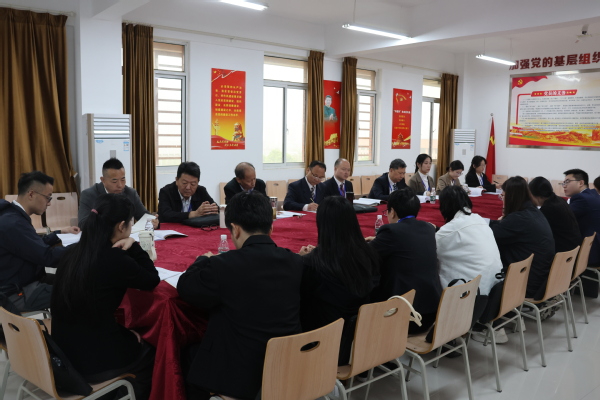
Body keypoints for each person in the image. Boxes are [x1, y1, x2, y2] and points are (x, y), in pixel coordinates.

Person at [177, 191, 304, 400]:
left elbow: (186, 287)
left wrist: (202, 260)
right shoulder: (295, 261)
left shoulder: (223, 266)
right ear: (271, 228)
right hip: (287, 364)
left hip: (240, 376)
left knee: (189, 353)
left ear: (235, 229)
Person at [51, 194, 159, 400]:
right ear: (121, 226)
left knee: (128, 335)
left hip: (63, 354)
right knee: (153, 350)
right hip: (94, 362)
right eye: (130, 223)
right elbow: (151, 279)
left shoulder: (72, 252)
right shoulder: (114, 259)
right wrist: (133, 245)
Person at [299, 196, 379, 364]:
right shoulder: (367, 252)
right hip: (363, 338)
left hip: (324, 345)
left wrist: (302, 259)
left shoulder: (313, 263)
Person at [0, 171, 79, 312]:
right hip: (15, 294)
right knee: (80, 292)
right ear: (31, 194)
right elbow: (47, 257)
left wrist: (58, 233)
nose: (49, 203)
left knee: (73, 280)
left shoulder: (12, 214)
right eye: (48, 197)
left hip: (24, 281)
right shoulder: (14, 223)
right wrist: (83, 246)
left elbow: (30, 246)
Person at [365, 188, 441, 334]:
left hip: (406, 316)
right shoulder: (427, 228)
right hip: (431, 312)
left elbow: (365, 255)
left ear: (392, 211)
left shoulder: (391, 231)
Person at [489, 176, 555, 300]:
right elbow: (502, 227)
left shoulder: (519, 218)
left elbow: (489, 235)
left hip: (527, 283)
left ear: (511, 197)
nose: (502, 199)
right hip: (540, 277)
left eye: (502, 195)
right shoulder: (532, 211)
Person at [436, 185, 503, 296]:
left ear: (444, 207)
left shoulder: (448, 231)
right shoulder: (479, 219)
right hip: (495, 290)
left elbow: (431, 251)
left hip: (472, 297)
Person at [79, 158, 158, 228]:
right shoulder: (89, 195)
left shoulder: (130, 193)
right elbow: (83, 224)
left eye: (123, 180)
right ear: (103, 180)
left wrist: (153, 221)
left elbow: (143, 216)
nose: (120, 185)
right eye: (114, 181)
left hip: (125, 237)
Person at [563, 169, 600, 293]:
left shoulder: (581, 198)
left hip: (591, 252)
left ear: (581, 183)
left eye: (567, 182)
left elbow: (563, 217)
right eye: (563, 183)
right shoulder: (593, 194)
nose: (564, 186)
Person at [529, 176, 581, 253]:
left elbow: (536, 231)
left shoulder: (548, 208)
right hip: (573, 248)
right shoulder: (559, 200)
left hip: (563, 252)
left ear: (535, 195)